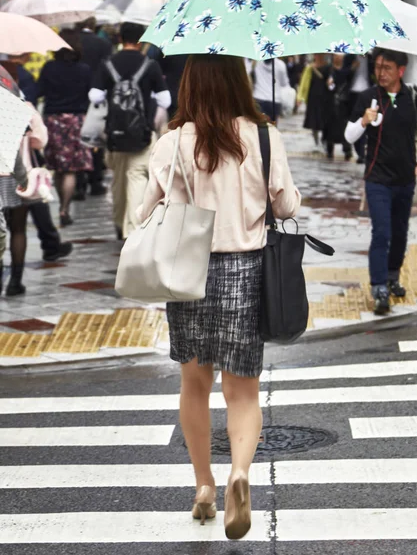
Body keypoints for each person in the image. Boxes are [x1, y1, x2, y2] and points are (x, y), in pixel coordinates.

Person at [139, 55, 301, 540]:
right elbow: (287, 205)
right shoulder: (263, 136)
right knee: (243, 390)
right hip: (245, 271)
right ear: (240, 82)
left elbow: (146, 211)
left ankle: (204, 486)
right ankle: (241, 473)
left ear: (189, 85)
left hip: (186, 273)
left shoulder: (172, 143)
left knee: (194, 384)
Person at [345, 49, 417, 315]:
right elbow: (349, 136)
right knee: (381, 232)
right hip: (377, 178)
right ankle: (379, 286)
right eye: (378, 67)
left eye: (387, 68)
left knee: (400, 233)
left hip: (405, 179)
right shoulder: (368, 97)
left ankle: (393, 275)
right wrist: (363, 120)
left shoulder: (414, 97)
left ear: (401, 71)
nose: (381, 73)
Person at [90, 22, 171, 239]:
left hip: (114, 135)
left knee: (118, 180)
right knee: (136, 177)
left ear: (120, 39)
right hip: (141, 134)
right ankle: (133, 230)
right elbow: (165, 99)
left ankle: (118, 221)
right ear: (140, 40)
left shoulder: (108, 64)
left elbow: (95, 96)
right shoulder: (149, 64)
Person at [4, 57, 73, 263]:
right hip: (18, 171)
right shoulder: (21, 100)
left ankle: (50, 242)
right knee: (18, 228)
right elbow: (39, 139)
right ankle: (15, 280)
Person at [37, 29, 93, 227]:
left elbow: (38, 92)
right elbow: (91, 96)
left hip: (54, 121)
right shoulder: (84, 69)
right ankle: (64, 209)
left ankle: (61, 204)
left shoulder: (49, 68)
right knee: (71, 170)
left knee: (59, 168)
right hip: (77, 121)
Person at [75, 17, 113, 199]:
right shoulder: (103, 43)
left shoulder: (69, 42)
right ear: (92, 25)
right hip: (97, 98)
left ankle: (79, 183)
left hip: (74, 99)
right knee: (95, 141)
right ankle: (95, 180)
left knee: (76, 146)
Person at [322, 54, 354, 160]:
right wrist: (329, 84)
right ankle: (330, 149)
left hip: (344, 102)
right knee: (330, 127)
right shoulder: (329, 70)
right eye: (336, 55)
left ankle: (347, 150)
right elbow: (328, 85)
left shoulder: (348, 70)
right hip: (331, 103)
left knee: (344, 126)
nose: (338, 57)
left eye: (340, 55)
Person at [297, 54, 327, 152]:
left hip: (324, 98)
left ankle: (324, 141)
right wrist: (299, 97)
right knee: (313, 121)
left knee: (324, 121)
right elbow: (303, 83)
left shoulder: (327, 67)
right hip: (312, 98)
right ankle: (316, 142)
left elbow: (326, 79)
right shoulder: (309, 68)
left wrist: (315, 70)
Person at [346, 54, 373, 164]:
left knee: (367, 124)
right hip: (353, 93)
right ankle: (359, 152)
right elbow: (343, 75)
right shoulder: (350, 57)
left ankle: (363, 153)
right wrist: (351, 68)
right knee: (356, 123)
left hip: (368, 93)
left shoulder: (371, 59)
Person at [252, 58, 290, 123]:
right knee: (273, 127)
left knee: (258, 125)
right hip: (275, 100)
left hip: (259, 98)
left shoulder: (256, 62)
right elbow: (284, 84)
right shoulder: (281, 65)